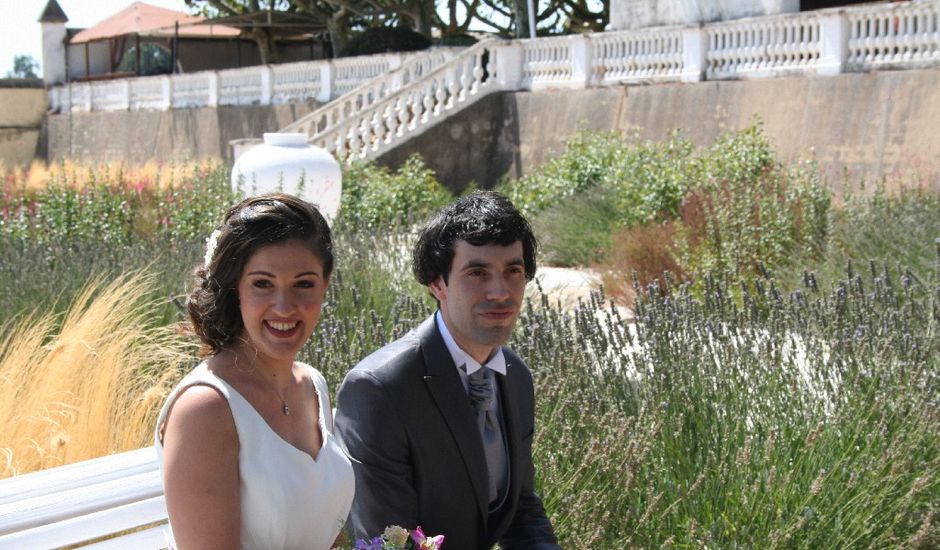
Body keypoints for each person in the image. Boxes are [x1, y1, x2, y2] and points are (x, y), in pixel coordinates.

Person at [335, 190, 560, 550]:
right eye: (477, 273)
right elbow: (389, 540)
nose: (500, 291)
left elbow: (521, 512)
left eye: (512, 271)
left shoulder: (515, 377)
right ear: (437, 283)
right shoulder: (381, 388)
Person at [154, 193, 354, 549]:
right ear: (235, 289)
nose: (284, 306)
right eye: (262, 283)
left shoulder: (312, 385)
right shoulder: (206, 409)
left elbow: (328, 528)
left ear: (325, 285)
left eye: (303, 284)